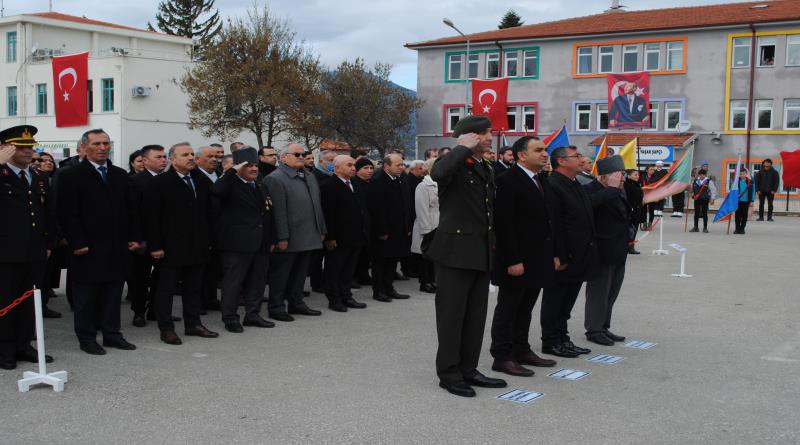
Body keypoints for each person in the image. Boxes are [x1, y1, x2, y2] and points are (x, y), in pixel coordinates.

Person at [428, 115, 507, 398]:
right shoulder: (454, 163)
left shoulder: (483, 165)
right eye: (485, 134)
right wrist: (461, 147)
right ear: (469, 137)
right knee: (452, 316)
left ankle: (469, 368)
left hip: (480, 251)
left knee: (475, 316)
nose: (489, 138)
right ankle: (449, 373)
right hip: (454, 253)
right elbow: (438, 174)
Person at [57, 129, 140, 355]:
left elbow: (131, 209)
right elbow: (66, 213)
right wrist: (76, 242)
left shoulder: (120, 175)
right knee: (86, 297)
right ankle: (87, 337)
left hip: (117, 247)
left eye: (106, 143)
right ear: (84, 147)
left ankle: (112, 334)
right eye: (97, 144)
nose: (103, 148)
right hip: (87, 247)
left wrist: (134, 237)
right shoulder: (70, 175)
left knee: (113, 294)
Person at [490, 136, 557, 378]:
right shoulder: (507, 180)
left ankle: (521, 350)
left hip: (537, 258)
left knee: (525, 308)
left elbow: (547, 220)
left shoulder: (541, 179)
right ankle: (502, 356)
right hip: (516, 259)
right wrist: (512, 260)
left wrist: (553, 254)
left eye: (545, 150)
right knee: (508, 309)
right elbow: (504, 224)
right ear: (521, 155)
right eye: (538, 150)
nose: (544, 154)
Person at [144, 143, 219, 345]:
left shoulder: (199, 180)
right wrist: (155, 246)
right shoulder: (159, 183)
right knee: (166, 290)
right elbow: (152, 218)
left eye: (192, 154)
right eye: (185, 154)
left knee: (194, 289)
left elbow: (207, 212)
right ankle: (166, 328)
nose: (191, 157)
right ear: (172, 159)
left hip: (197, 246)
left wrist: (209, 240)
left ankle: (193, 324)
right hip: (170, 248)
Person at [0, 126, 55, 370]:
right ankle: (5, 348)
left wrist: (48, 242)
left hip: (34, 251)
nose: (27, 152)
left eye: (30, 147)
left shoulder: (37, 177)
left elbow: (46, 213)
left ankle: (24, 344)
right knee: (6, 301)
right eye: (20, 147)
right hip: (6, 252)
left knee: (29, 301)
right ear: (5, 149)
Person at [541, 145, 597, 358]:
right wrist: (558, 254)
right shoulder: (553, 184)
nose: (582, 159)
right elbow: (555, 224)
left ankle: (563, 337)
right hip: (564, 255)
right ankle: (551, 341)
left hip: (580, 252)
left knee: (567, 302)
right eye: (577, 156)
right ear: (562, 161)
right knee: (555, 299)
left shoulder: (574, 182)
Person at [214, 147, 275, 332]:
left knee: (257, 282)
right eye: (248, 166)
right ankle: (230, 318)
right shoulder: (230, 184)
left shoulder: (260, 185)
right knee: (234, 283)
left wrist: (271, 239)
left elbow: (268, 214)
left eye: (256, 165)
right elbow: (217, 191)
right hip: (237, 243)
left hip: (260, 241)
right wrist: (232, 170)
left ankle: (253, 314)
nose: (254, 169)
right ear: (238, 167)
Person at [264, 144, 326, 321]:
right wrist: (282, 237)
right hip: (289, 236)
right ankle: (276, 307)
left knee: (300, 274)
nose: (301, 156)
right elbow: (278, 212)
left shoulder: (309, 176)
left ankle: (296, 303)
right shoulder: (275, 178)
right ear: (283, 158)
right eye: (296, 154)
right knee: (281, 274)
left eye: (303, 154)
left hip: (309, 234)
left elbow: (317, 205)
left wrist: (321, 229)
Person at [583, 155, 630, 346]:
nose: (623, 179)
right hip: (601, 250)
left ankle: (604, 326)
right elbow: (590, 206)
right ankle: (594, 330)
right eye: (620, 175)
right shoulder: (590, 189)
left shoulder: (619, 190)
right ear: (605, 177)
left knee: (612, 291)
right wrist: (611, 188)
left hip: (619, 249)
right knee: (599, 292)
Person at [320, 155, 369, 312]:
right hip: (338, 237)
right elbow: (329, 214)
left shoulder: (354, 184)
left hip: (355, 235)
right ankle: (334, 299)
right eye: (349, 165)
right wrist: (330, 237)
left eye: (354, 165)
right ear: (337, 168)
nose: (353, 168)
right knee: (335, 269)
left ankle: (346, 295)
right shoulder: (329, 186)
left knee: (348, 269)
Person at [127, 145, 168, 327]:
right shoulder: (136, 181)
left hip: (165, 238)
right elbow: (133, 213)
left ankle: (155, 310)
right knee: (140, 278)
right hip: (143, 240)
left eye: (164, 156)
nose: (163, 160)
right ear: (145, 161)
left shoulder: (168, 180)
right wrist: (137, 239)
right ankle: (138, 311)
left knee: (162, 278)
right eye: (158, 157)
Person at [367, 153, 413, 302]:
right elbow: (377, 208)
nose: (402, 167)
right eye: (398, 165)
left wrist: (407, 226)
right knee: (380, 261)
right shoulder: (378, 180)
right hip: (384, 230)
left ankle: (389, 287)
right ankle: (379, 290)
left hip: (399, 228)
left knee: (393, 260)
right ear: (386, 166)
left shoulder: (401, 179)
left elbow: (406, 204)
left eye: (402, 164)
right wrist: (382, 230)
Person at [410, 158, 439, 294]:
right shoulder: (423, 186)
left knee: (434, 255)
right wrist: (426, 229)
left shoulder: (439, 183)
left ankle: (433, 280)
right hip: (427, 223)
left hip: (439, 223)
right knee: (424, 255)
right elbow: (421, 209)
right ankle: (425, 282)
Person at [352, 157, 374, 286]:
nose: (369, 171)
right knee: (357, 254)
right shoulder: (354, 184)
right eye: (365, 168)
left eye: (371, 168)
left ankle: (364, 275)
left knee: (367, 253)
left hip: (370, 223)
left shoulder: (372, 183)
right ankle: (353, 277)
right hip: (359, 224)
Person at [624, 169, 645, 255]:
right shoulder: (626, 184)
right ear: (629, 175)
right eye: (635, 175)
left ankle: (631, 247)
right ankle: (628, 247)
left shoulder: (637, 184)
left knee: (634, 229)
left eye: (638, 175)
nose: (637, 176)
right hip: (630, 211)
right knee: (630, 230)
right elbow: (627, 198)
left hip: (637, 210)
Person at [690, 169, 716, 233]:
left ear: (705, 175)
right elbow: (692, 189)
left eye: (703, 175)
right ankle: (696, 227)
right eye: (700, 175)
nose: (701, 176)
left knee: (704, 213)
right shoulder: (695, 181)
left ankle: (705, 228)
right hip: (697, 199)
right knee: (696, 213)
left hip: (705, 199)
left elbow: (713, 190)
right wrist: (690, 192)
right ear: (698, 175)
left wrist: (712, 199)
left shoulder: (708, 181)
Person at [734, 168, 756, 235]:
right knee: (737, 215)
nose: (742, 175)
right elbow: (733, 191)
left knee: (744, 215)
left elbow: (753, 192)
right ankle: (737, 229)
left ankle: (742, 229)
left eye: (743, 174)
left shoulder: (750, 182)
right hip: (738, 201)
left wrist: (752, 201)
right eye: (740, 174)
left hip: (746, 201)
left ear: (746, 174)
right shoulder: (736, 182)